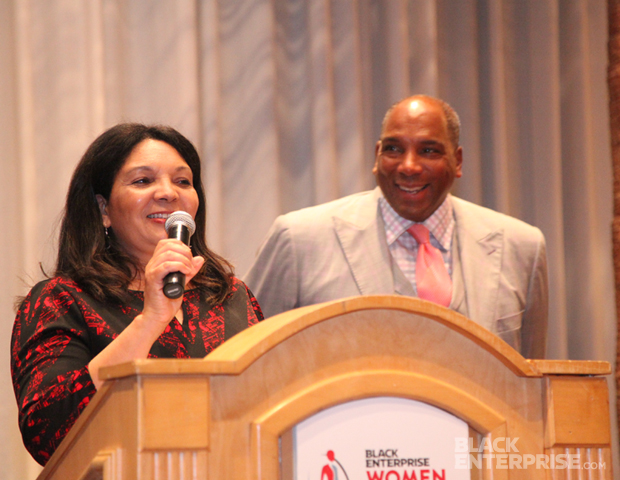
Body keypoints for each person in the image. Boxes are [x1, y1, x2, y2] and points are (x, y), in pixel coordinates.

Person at [11, 123, 264, 465]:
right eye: (143, 181)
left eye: (183, 181)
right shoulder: (61, 300)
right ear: (103, 209)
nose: (168, 193)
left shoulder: (231, 295)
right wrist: (150, 320)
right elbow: (48, 434)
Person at [244, 94, 547, 358]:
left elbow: (531, 384)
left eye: (428, 150)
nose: (408, 166)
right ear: (377, 156)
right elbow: (243, 357)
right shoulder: (299, 240)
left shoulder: (521, 248)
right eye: (393, 149)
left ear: (457, 161)